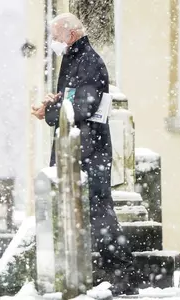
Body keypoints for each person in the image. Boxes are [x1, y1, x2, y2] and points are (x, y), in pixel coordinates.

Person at [32, 13, 138, 296]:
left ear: (71, 34)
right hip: (78, 146)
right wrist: (54, 102)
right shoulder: (74, 58)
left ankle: (122, 273)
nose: (54, 43)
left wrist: (51, 112)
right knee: (91, 213)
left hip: (90, 149)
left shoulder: (88, 61)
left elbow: (83, 106)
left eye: (56, 37)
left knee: (99, 211)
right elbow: (72, 98)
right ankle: (108, 273)